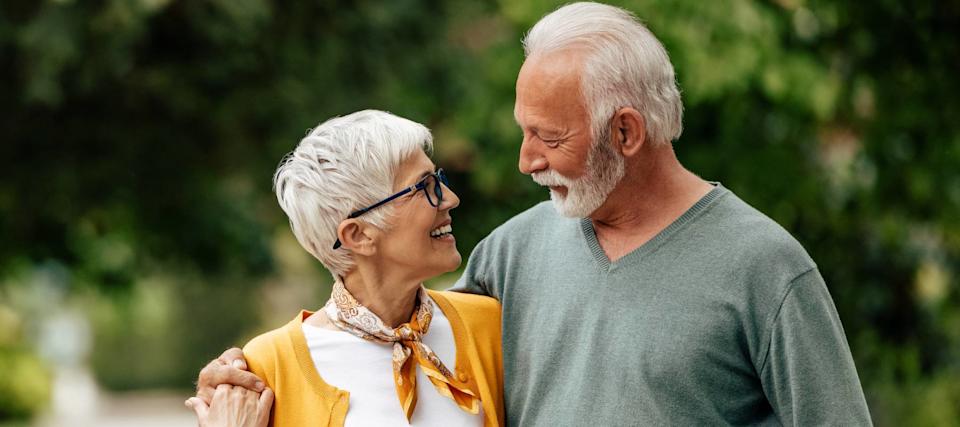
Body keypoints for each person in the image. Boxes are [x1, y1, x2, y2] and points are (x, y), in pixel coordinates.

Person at [194, 2, 873, 425]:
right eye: (524, 131)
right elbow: (388, 334)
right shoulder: (509, 256)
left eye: (548, 138)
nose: (524, 161)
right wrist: (239, 378)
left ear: (626, 133)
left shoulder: (765, 267)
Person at [187, 110, 504, 426]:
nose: (450, 198)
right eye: (424, 187)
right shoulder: (268, 368)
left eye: (439, 179)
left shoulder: (488, 326)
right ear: (359, 235)